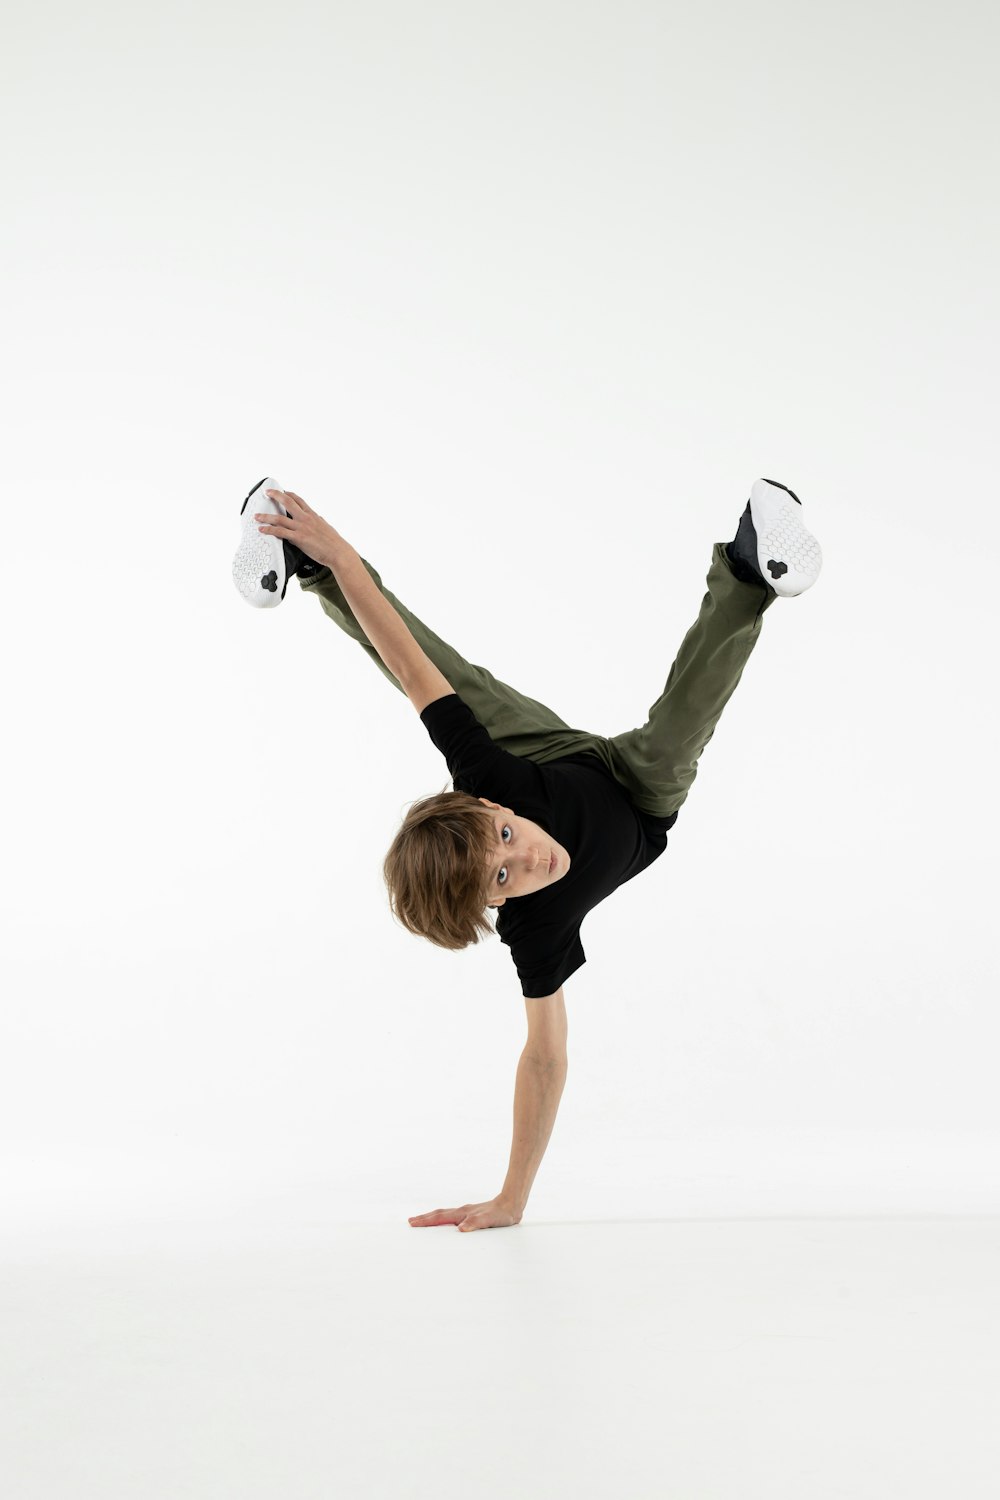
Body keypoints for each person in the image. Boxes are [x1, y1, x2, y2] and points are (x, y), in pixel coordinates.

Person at [232, 476, 822, 1231]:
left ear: (489, 809)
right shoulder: (535, 931)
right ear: (495, 905)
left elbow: (411, 667)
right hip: (639, 799)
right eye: (503, 879)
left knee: (440, 672)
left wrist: (343, 555)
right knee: (680, 734)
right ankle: (748, 560)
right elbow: (544, 1057)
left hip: (542, 756)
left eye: (505, 841)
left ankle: (301, 552)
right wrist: (512, 1196)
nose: (528, 862)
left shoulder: (488, 779)